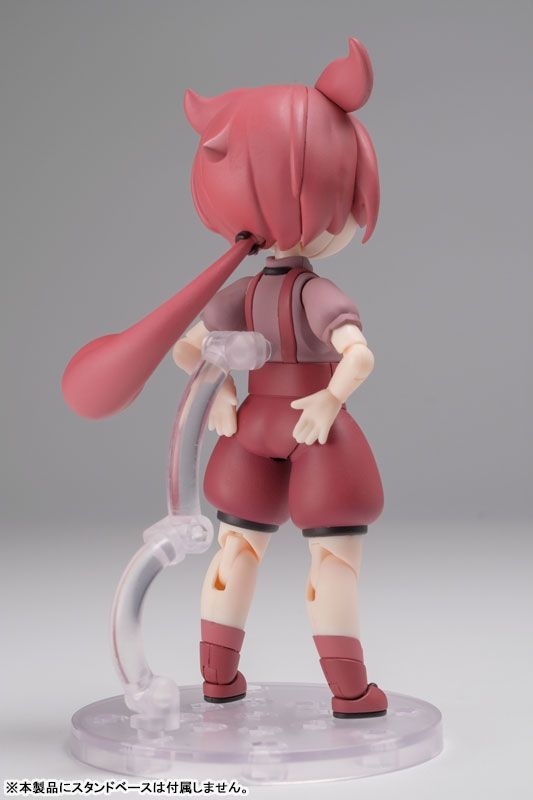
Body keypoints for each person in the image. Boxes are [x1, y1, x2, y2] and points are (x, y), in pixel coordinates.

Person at [172, 38, 387, 718]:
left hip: (252, 426)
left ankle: (217, 679)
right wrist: (326, 402)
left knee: (237, 547)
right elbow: (359, 357)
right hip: (311, 427)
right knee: (333, 561)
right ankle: (350, 692)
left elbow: (188, 349)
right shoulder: (316, 294)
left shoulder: (242, 293)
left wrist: (224, 391)